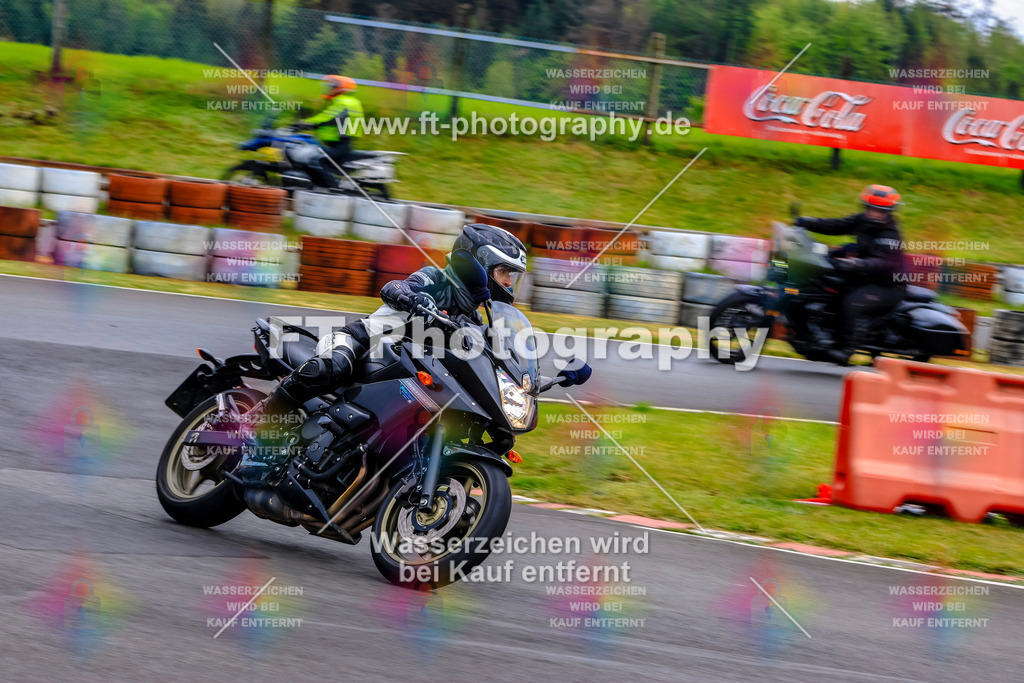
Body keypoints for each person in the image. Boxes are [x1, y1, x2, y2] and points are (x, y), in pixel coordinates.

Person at [259, 223, 531, 425]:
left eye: (512, 275)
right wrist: (413, 299)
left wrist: (554, 377)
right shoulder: (435, 278)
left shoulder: (474, 318)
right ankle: (260, 418)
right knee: (329, 368)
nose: (508, 282)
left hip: (400, 371)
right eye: (503, 271)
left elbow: (494, 359)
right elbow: (394, 287)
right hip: (362, 343)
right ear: (479, 264)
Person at [795, 184, 906, 365]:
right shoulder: (862, 220)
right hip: (864, 277)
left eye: (878, 210)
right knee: (830, 288)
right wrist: (805, 222)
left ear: (888, 211)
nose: (872, 213)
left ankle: (846, 349)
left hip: (888, 286)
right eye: (869, 208)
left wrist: (858, 263)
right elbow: (837, 225)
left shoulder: (890, 235)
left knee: (853, 302)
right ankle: (822, 336)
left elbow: (884, 262)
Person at [295, 75, 364, 188]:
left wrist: (303, 124)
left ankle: (334, 191)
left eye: (331, 87)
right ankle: (316, 188)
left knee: (317, 162)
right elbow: (327, 117)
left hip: (340, 145)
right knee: (313, 160)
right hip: (339, 144)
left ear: (340, 88)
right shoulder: (347, 101)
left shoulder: (344, 102)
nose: (328, 89)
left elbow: (328, 118)